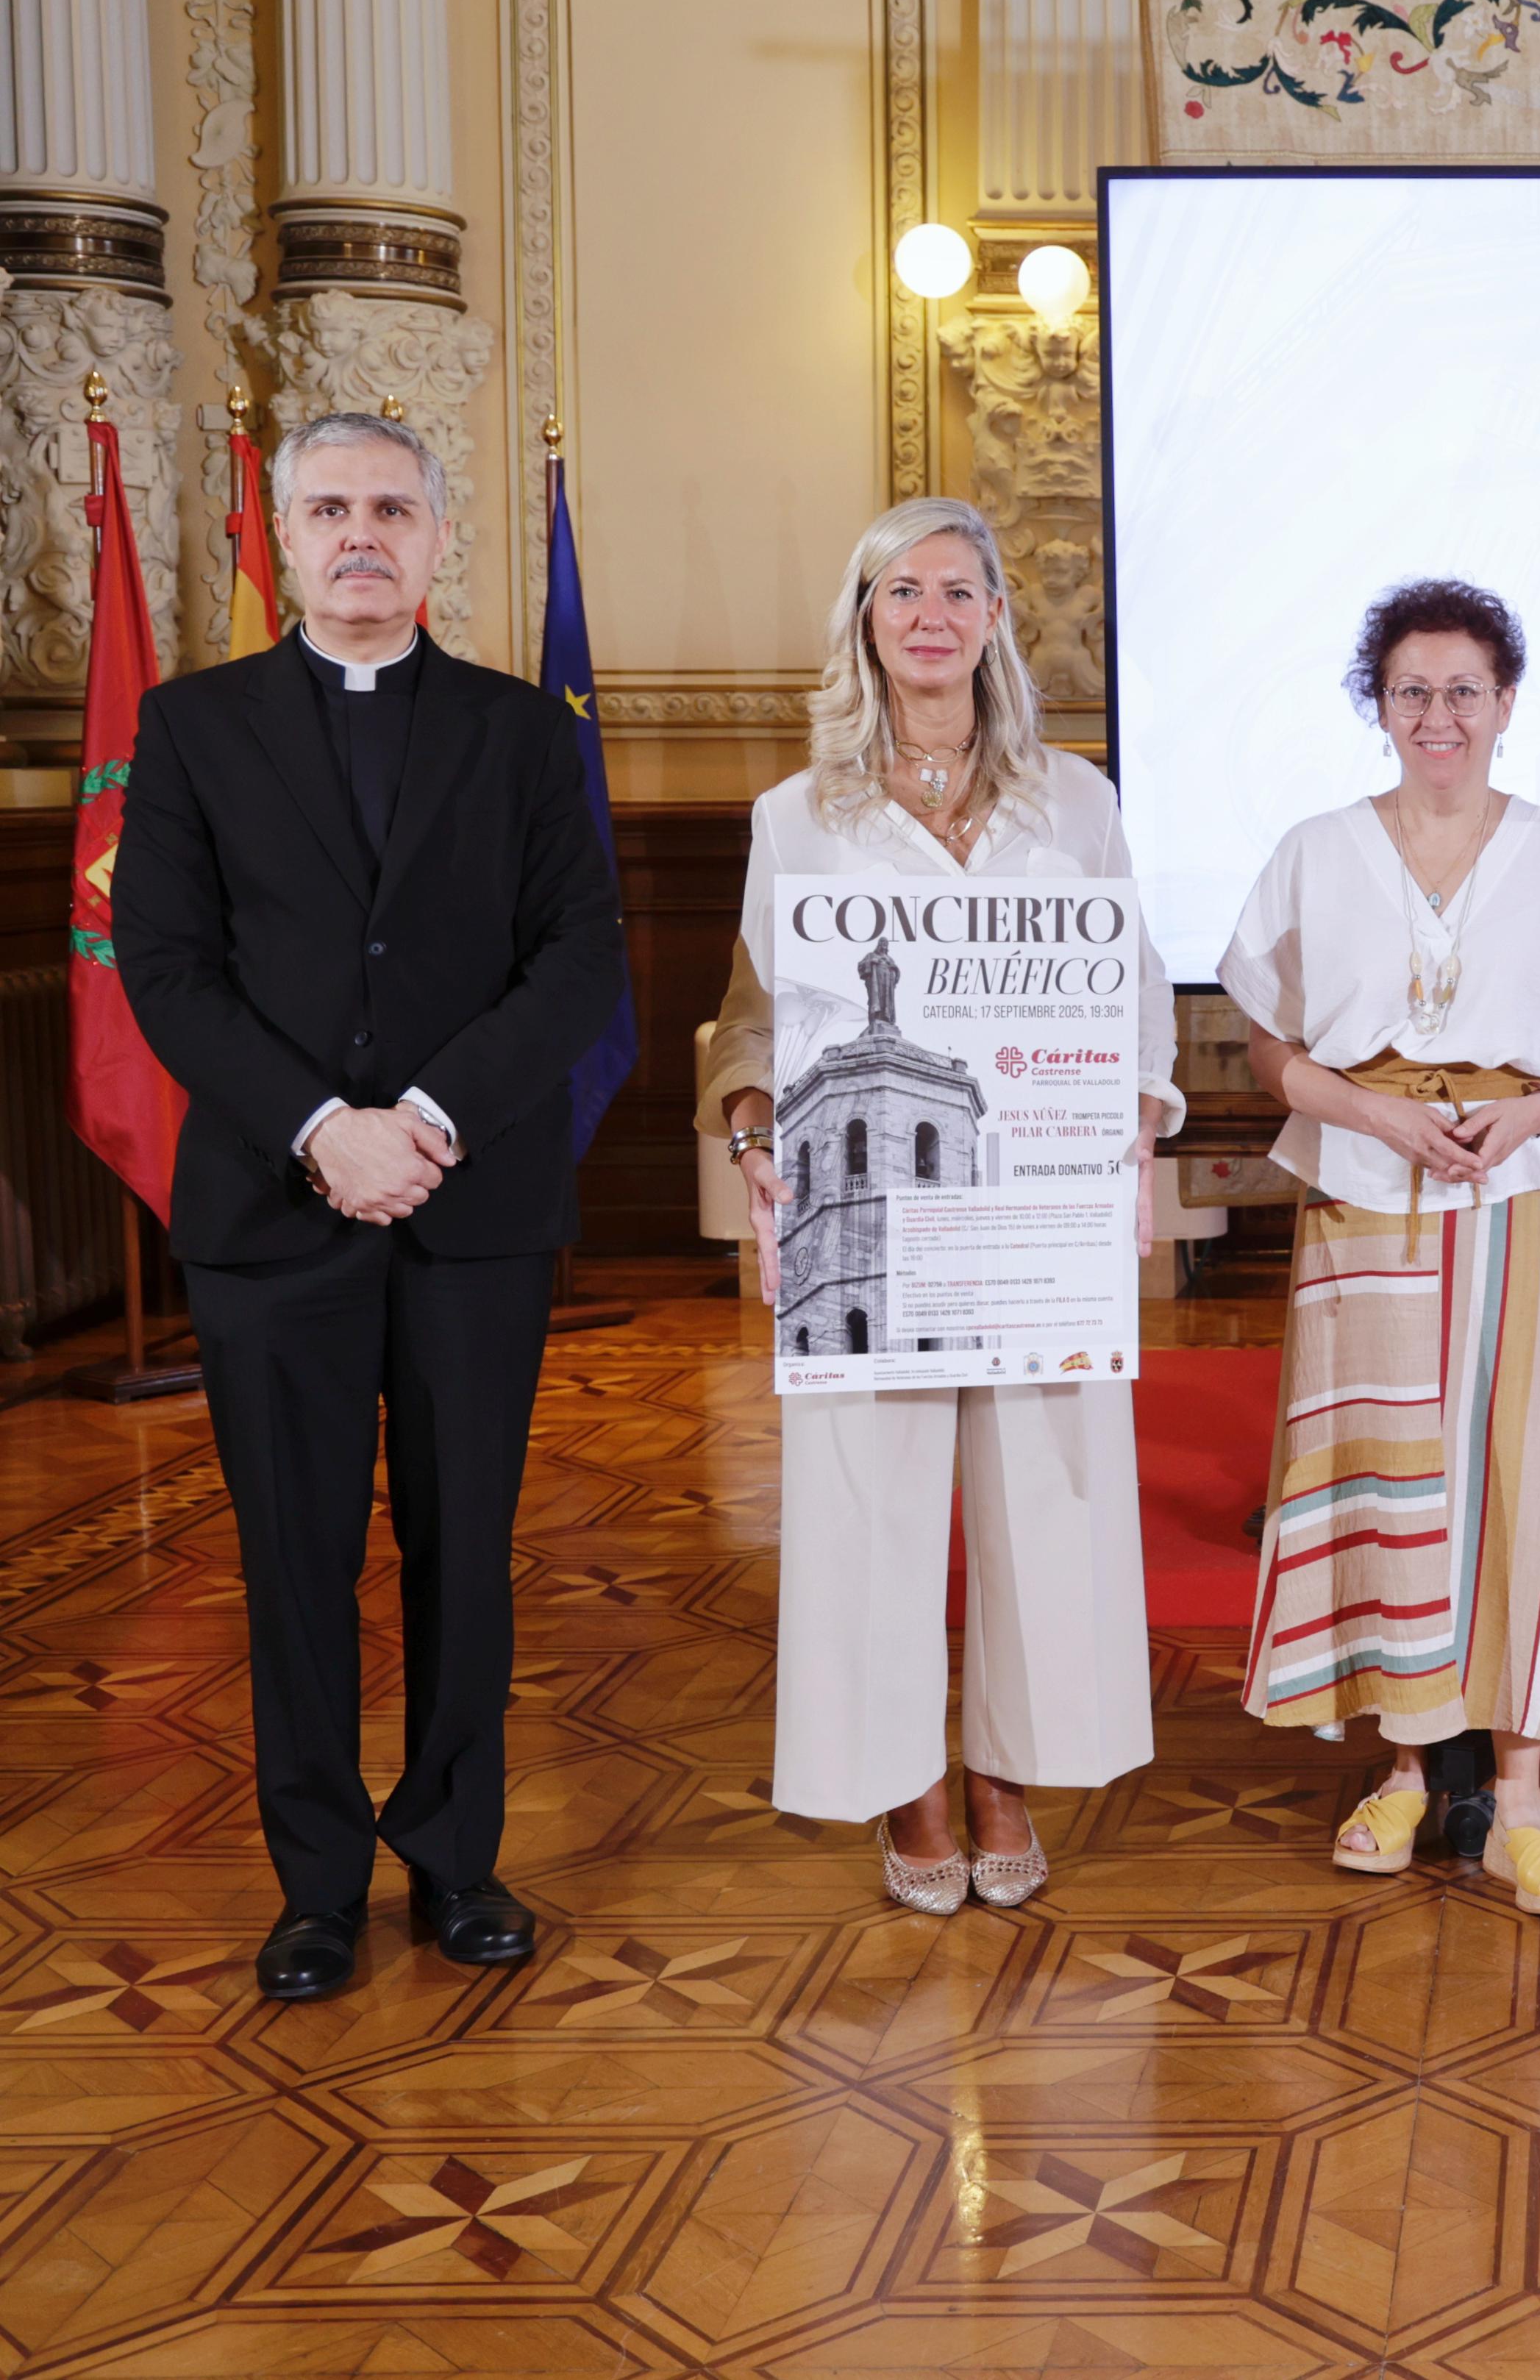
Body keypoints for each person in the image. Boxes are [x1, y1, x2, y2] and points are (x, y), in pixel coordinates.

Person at [112, 413, 626, 2000]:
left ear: (436, 537)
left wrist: (431, 1120)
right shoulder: (190, 727)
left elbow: (581, 958)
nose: (361, 534)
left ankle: (459, 1856)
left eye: (392, 509)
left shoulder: (522, 730)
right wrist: (324, 1129)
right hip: (274, 1215)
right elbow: (165, 968)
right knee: (296, 1555)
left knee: (465, 1547)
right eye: (330, 507)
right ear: (283, 532)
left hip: (473, 1211)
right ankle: (317, 1883)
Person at [700, 498, 1180, 1915]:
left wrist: (1141, 1123)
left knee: (1048, 1494)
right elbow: (752, 1012)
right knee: (870, 1497)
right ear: (865, 617)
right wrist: (754, 1134)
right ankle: (904, 1781)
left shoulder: (1076, 800)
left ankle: (1007, 1773)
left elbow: (1136, 985)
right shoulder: (798, 815)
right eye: (901, 589)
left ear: (994, 620)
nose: (930, 614)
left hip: (1039, 1205)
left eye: (957, 590)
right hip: (868, 1206)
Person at [1222, 577, 1540, 1917]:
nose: (1439, 714)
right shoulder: (1315, 851)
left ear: (1507, 702)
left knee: (1529, 1476)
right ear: (1380, 702)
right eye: (1412, 689)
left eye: (1465, 689)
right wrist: (1372, 1113)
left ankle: (1521, 1794)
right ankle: (1405, 1766)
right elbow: (1269, 1045)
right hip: (1365, 1185)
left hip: (1526, 1189)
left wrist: (1537, 1106)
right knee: (1388, 1477)